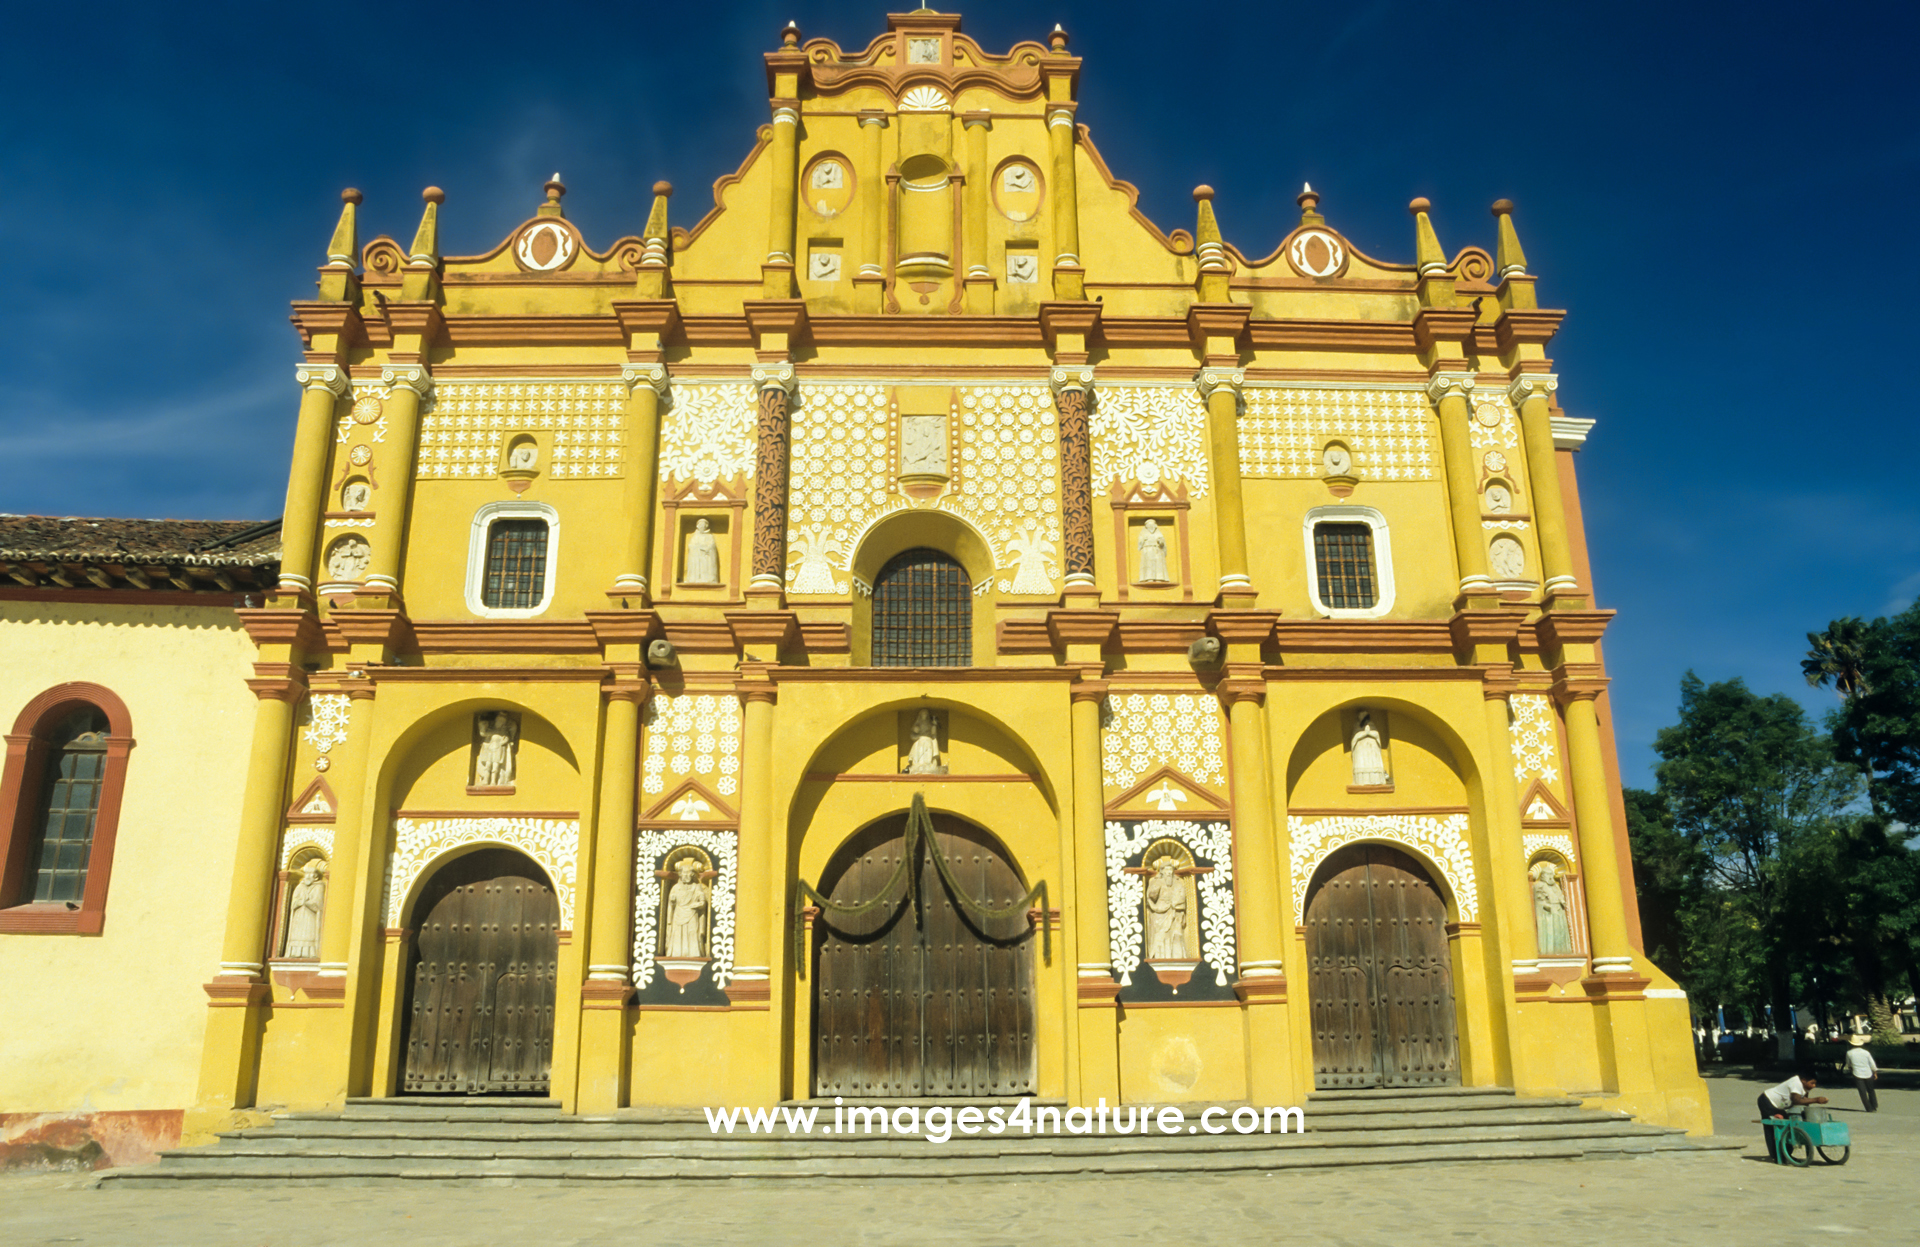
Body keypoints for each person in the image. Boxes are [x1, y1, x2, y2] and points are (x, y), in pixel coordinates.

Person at [1757, 1072, 1827, 1160]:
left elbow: (1804, 1100)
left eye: (1815, 1083)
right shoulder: (1796, 1083)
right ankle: (1776, 1155)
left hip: (1779, 1106)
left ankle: (1786, 1154)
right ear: (1804, 1080)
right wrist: (1816, 1100)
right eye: (1812, 1083)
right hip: (1767, 1101)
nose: (1814, 1086)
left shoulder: (1805, 1086)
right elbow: (1796, 1100)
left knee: (1788, 1126)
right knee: (1773, 1127)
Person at [1843, 1035, 1879, 1112]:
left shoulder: (1849, 1053)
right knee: (1871, 1090)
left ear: (1851, 1044)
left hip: (1857, 1073)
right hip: (1868, 1073)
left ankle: (1868, 1108)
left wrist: (1850, 1069)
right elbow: (1872, 1064)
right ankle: (1874, 1105)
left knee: (1862, 1092)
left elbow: (1848, 1064)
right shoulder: (1866, 1053)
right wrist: (1875, 1072)